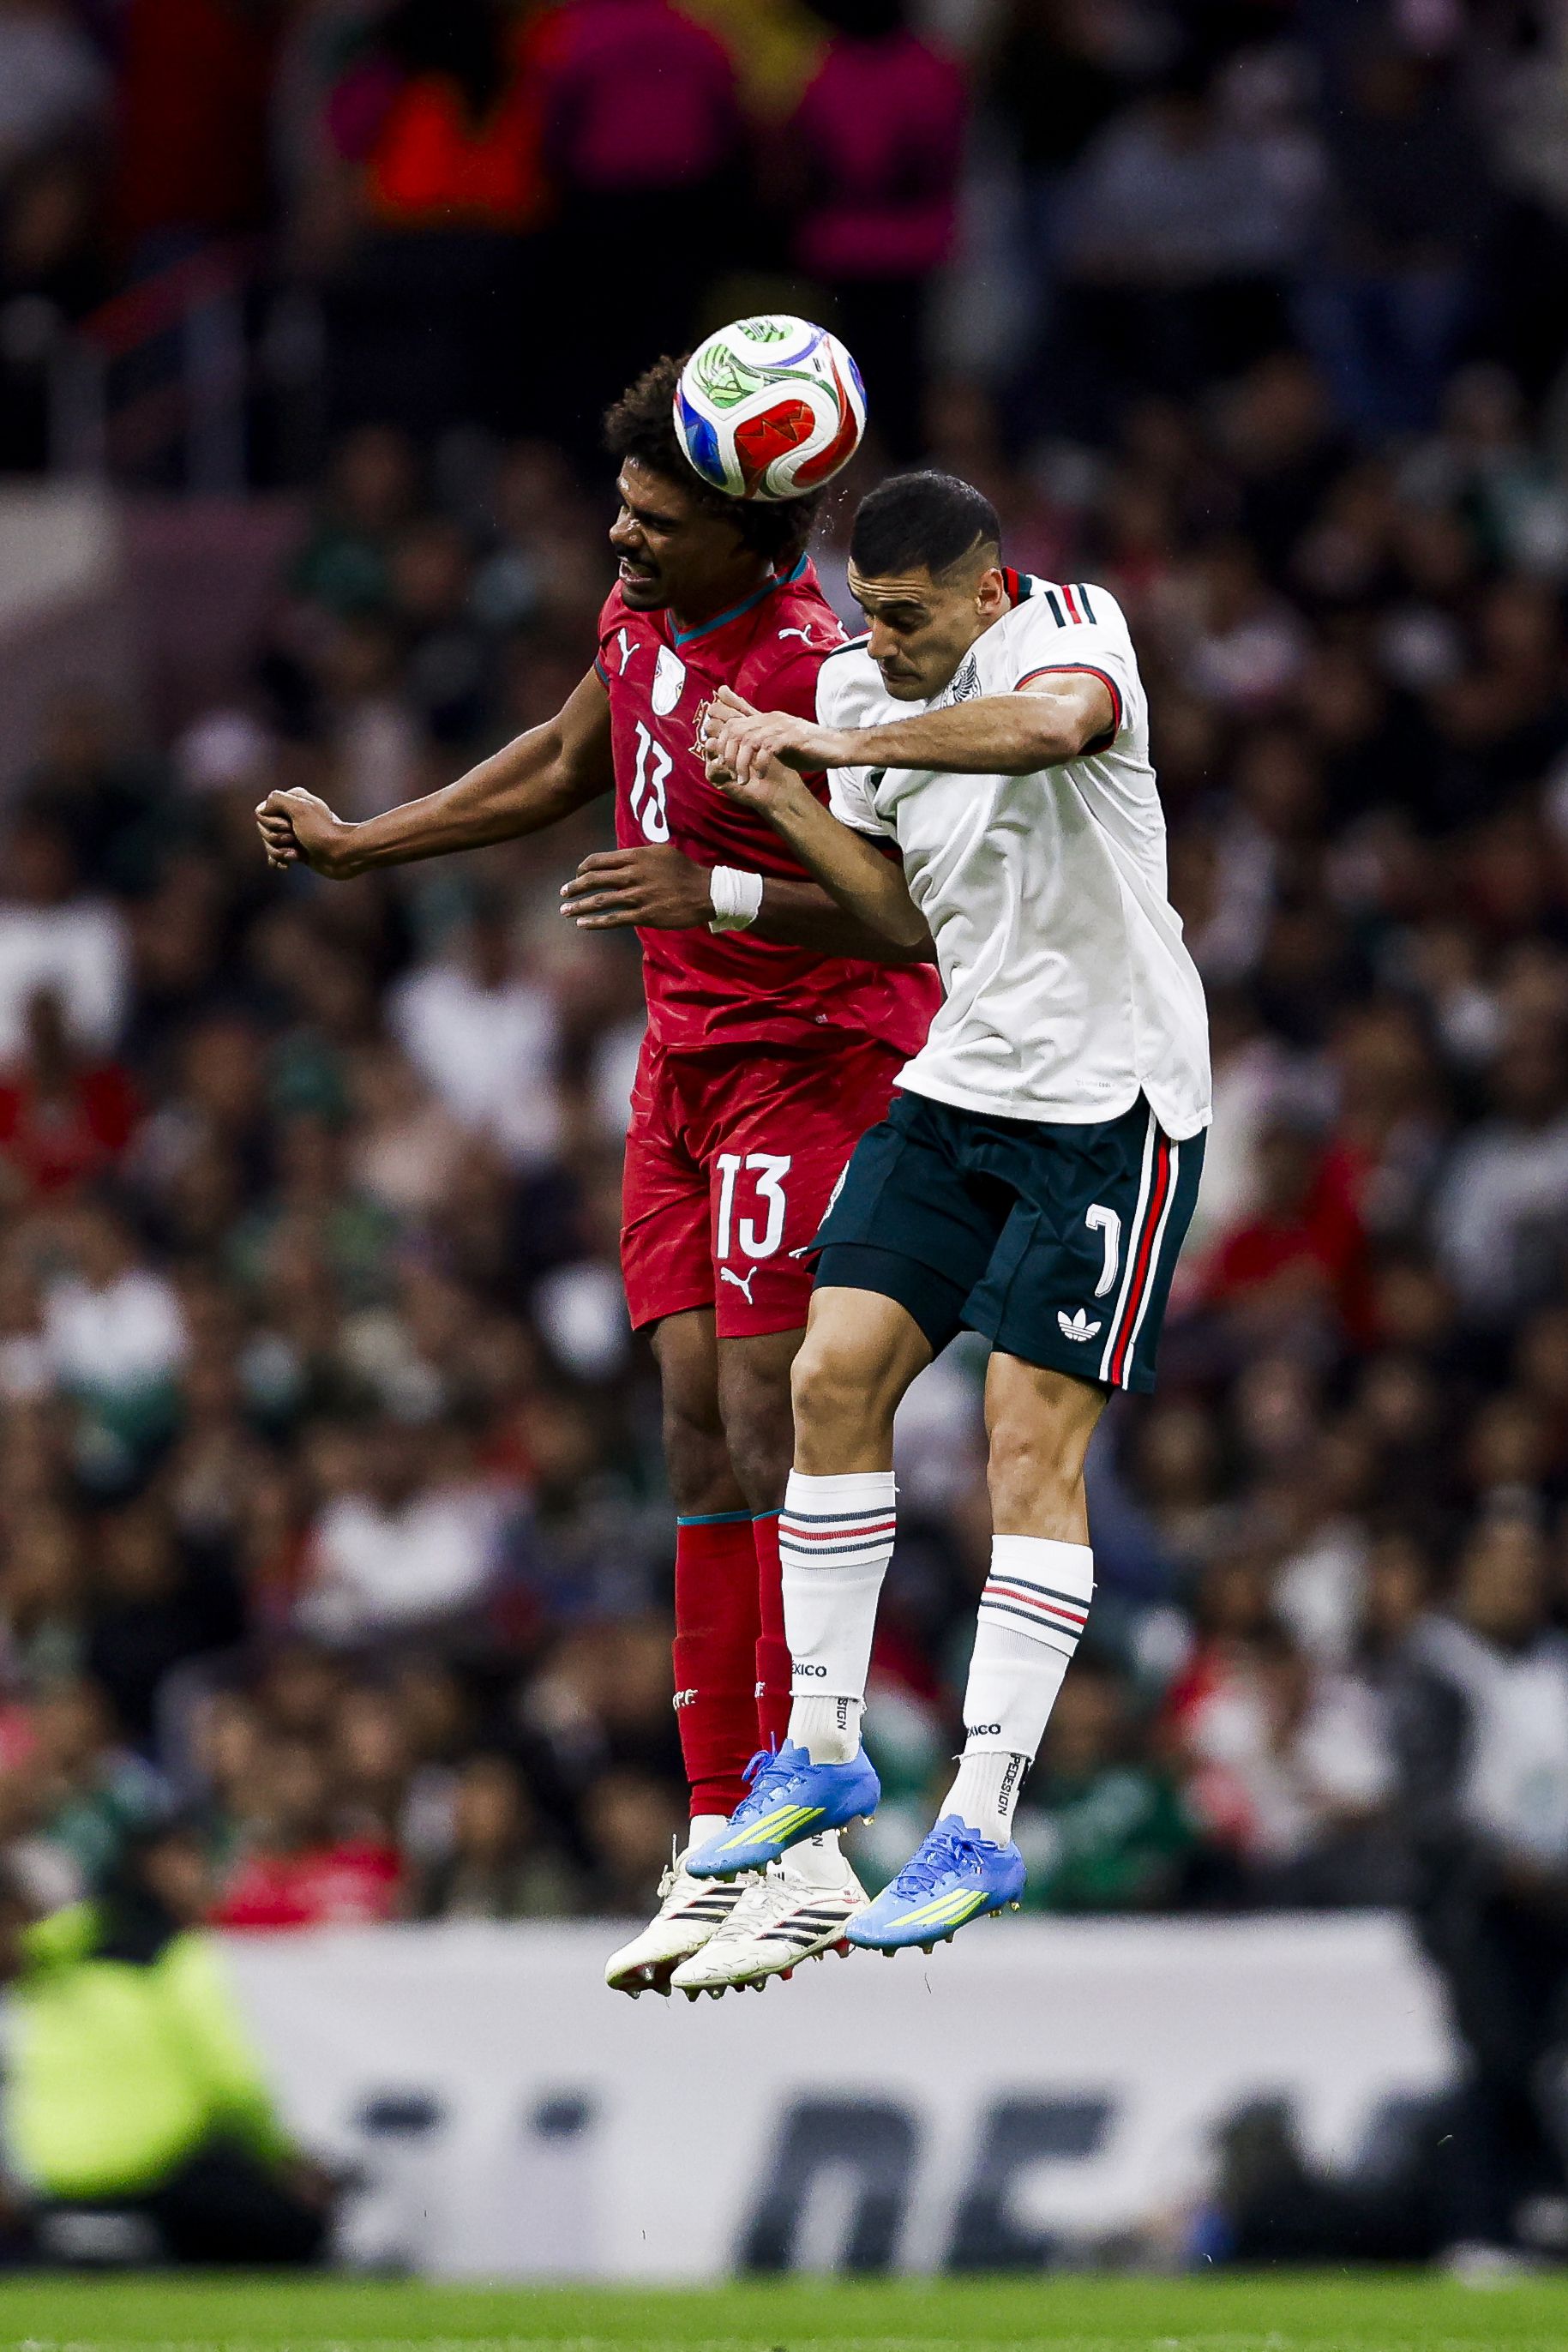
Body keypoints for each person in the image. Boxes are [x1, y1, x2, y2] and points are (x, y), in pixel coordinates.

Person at [256, 349, 937, 1997]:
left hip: (812, 1059)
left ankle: (809, 1829)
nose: (619, 538)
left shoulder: (817, 677)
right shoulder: (638, 621)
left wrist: (718, 893)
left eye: (651, 519)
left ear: (747, 536)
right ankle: (718, 1837)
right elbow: (566, 758)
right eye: (618, 508)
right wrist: (364, 841)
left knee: (772, 1415)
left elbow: (911, 913)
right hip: (679, 1074)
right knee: (694, 1424)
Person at [693, 469, 1210, 1952]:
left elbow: (1047, 730)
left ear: (986, 590)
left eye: (911, 617)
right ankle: (822, 1746)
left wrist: (831, 737)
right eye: (867, 613)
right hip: (961, 1079)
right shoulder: (862, 687)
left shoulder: (1071, 629)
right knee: (827, 1375)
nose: (882, 641)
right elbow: (901, 916)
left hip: (1111, 1101)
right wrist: (779, 803)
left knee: (1022, 1444)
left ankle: (978, 1818)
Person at [1, 1821, 333, 2265]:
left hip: (54, 2182)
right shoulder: (177, 1956)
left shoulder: (48, 1960)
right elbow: (235, 2087)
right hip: (157, 2172)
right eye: (195, 1862)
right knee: (298, 2226)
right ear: (152, 1868)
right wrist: (283, 2160)